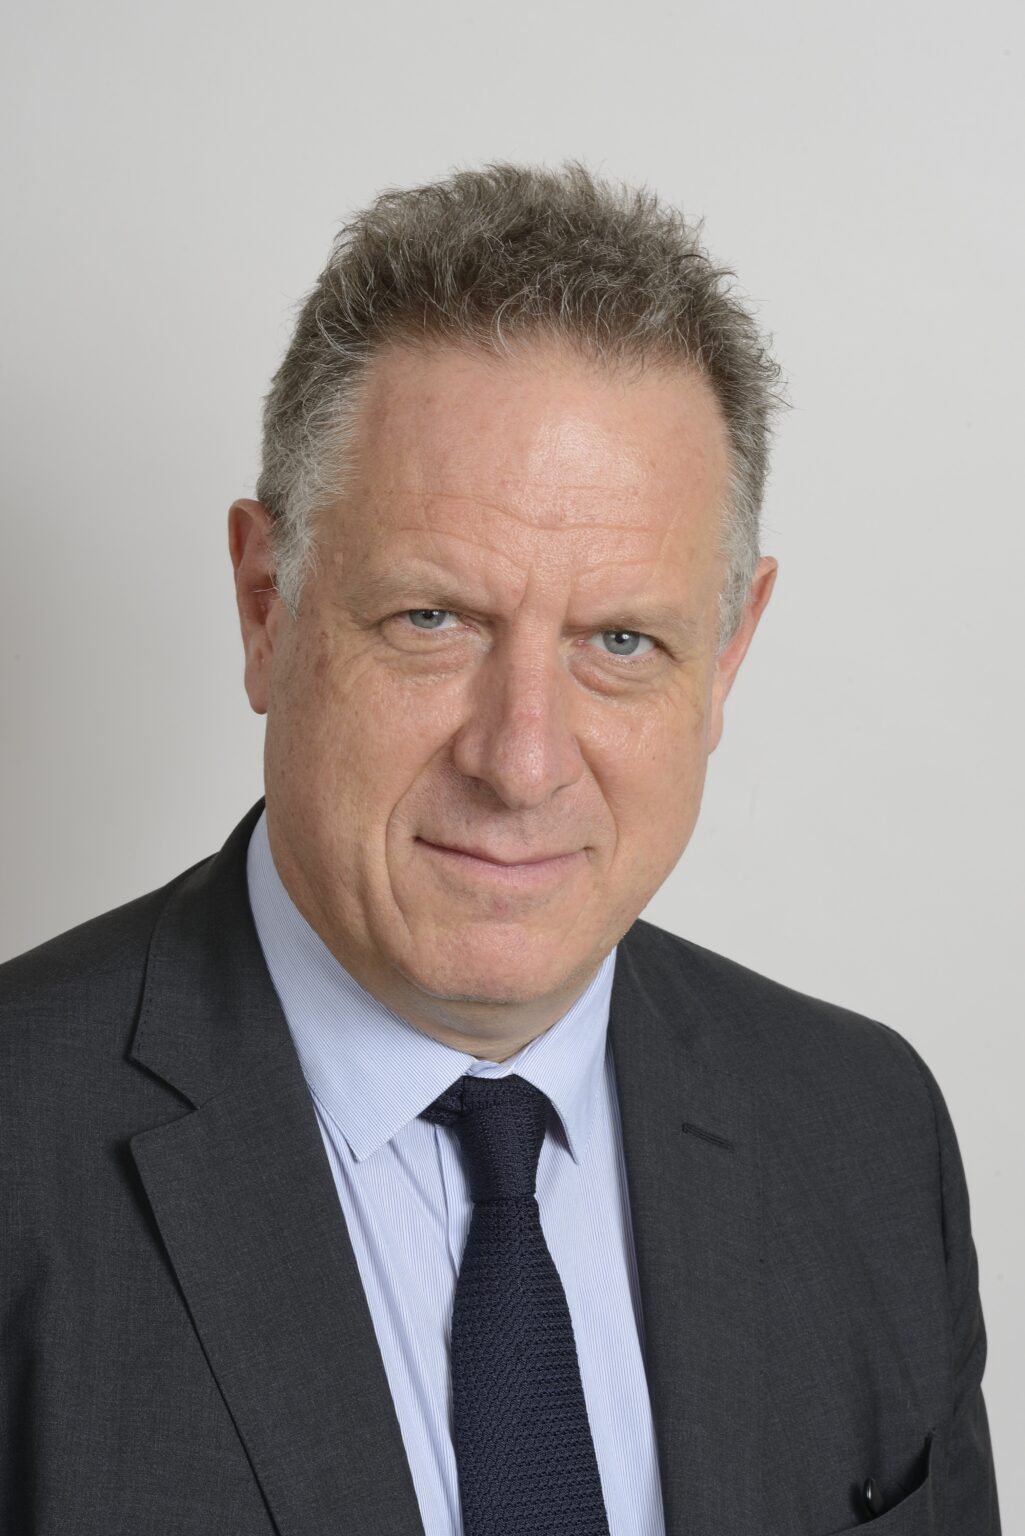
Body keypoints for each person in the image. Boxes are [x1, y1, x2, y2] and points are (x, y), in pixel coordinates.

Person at [0, 163, 999, 1536]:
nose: (521, 761)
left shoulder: (864, 1136)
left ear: (725, 660)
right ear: (266, 606)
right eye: (433, 620)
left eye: (621, 641)